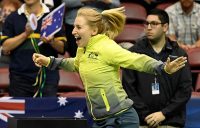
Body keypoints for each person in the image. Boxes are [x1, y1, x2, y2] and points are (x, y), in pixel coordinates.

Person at [32, 7, 187, 128]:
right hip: (100, 120)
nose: (73, 31)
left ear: (93, 31)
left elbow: (136, 60)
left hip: (121, 119)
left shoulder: (106, 47)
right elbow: (76, 64)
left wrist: (162, 67)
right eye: (74, 27)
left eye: (78, 27)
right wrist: (49, 61)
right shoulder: (82, 48)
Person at [122, 9, 192, 128]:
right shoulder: (134, 53)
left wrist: (164, 113)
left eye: (154, 24)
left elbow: (185, 90)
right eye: (147, 23)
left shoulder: (179, 54)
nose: (148, 27)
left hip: (171, 121)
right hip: (141, 122)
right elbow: (129, 89)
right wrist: (146, 116)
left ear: (165, 27)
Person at [0, 0, 67, 97]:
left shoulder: (53, 16)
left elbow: (62, 48)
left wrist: (52, 41)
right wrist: (25, 34)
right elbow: (5, 46)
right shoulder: (12, 17)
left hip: (48, 76)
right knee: (20, 112)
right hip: (19, 76)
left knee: (47, 111)